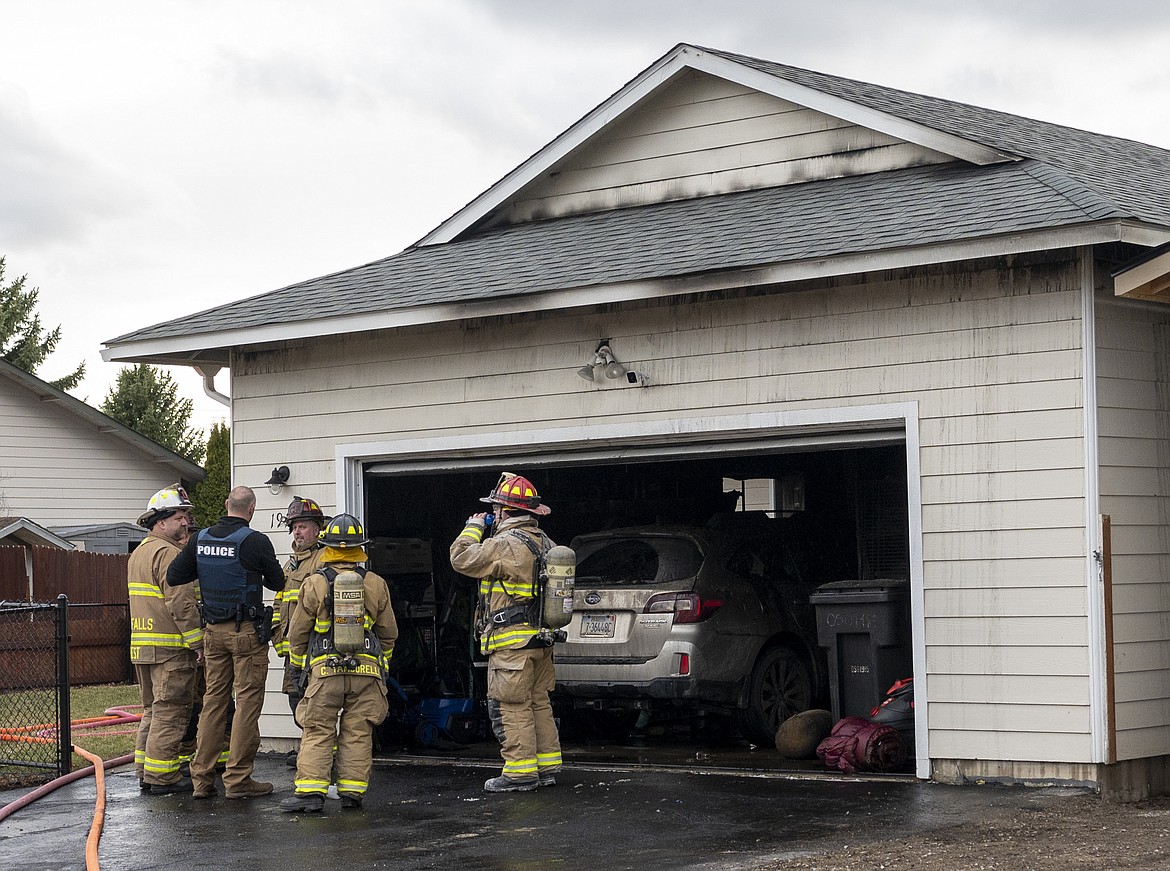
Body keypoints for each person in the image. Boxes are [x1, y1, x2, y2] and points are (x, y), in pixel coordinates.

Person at [167, 485, 284, 800]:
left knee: (214, 702)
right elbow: (278, 582)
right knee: (246, 704)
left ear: (225, 505)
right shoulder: (255, 541)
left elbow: (174, 576)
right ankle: (237, 780)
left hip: (212, 633)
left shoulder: (200, 539)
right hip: (245, 633)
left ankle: (201, 779)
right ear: (252, 509)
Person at [449, 472, 563, 792]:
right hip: (541, 641)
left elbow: (460, 559)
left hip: (511, 643)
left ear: (504, 511)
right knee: (538, 700)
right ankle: (546, 767)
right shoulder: (546, 543)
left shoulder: (504, 544)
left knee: (510, 704)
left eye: (496, 509)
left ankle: (519, 772)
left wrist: (473, 527)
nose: (494, 514)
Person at [280, 513, 398, 813]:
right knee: (358, 731)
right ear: (361, 548)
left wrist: (297, 669)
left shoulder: (314, 583)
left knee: (318, 728)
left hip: (325, 672)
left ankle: (310, 794)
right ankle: (352, 793)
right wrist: (382, 668)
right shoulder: (375, 583)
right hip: (367, 674)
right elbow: (388, 634)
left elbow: (298, 634)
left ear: (326, 547)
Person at [128, 484, 202, 795]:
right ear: (161, 521)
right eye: (181, 516)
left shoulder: (140, 552)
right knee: (171, 710)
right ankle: (162, 777)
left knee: (153, 710)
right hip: (171, 648)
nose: (186, 522)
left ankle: (146, 770)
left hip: (144, 648)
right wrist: (198, 642)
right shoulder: (171, 554)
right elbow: (181, 603)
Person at [271, 496, 328, 718]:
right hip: (293, 653)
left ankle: (322, 752)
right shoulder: (291, 564)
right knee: (297, 703)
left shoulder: (324, 560)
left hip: (314, 651)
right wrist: (278, 638)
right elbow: (279, 601)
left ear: (317, 529)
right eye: (294, 527)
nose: (297, 532)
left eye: (303, 526)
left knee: (316, 706)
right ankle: (311, 751)